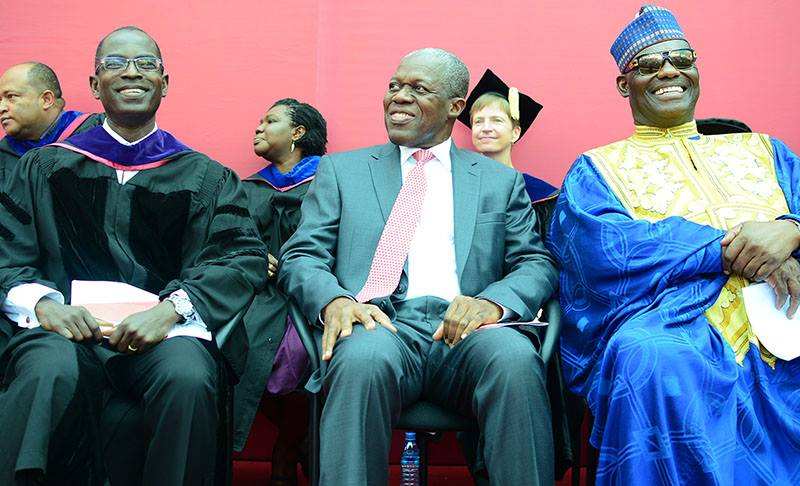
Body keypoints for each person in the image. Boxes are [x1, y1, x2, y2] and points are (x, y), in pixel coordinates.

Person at [0, 26, 267, 485]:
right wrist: (45, 306)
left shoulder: (206, 176)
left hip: (165, 334)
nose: (132, 73)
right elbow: (8, 249)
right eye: (115, 64)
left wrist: (172, 310)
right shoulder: (43, 167)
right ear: (93, 85)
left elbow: (239, 256)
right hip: (63, 330)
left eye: (146, 64)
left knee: (187, 376)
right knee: (47, 369)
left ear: (165, 82)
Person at [279, 47, 558, 485]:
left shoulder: (498, 182)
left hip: (468, 333)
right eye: (394, 87)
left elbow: (534, 262)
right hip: (380, 324)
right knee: (359, 360)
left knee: (515, 361)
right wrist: (334, 300)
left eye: (418, 89)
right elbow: (302, 255)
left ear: (455, 106)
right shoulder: (342, 172)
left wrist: (493, 304)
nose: (399, 97)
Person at [548, 5, 800, 484]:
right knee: (648, 354)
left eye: (682, 59)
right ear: (625, 85)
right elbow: (605, 250)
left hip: (789, 305)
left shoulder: (764, 149)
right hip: (675, 317)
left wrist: (791, 231)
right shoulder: (598, 168)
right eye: (648, 65)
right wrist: (737, 249)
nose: (669, 69)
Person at [234, 98, 327, 486]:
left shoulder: (330, 182)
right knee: (231, 349)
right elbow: (228, 238)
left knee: (300, 351)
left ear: (298, 134)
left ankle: (289, 444)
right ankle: (297, 440)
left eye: (270, 120)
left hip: (312, 294)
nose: (258, 126)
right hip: (258, 294)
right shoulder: (248, 188)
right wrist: (252, 256)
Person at [458, 68, 558, 239]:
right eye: (478, 121)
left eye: (497, 120)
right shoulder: (457, 185)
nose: (486, 128)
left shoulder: (541, 196)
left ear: (515, 133)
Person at [0, 62, 103, 182]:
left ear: (46, 99)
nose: (2, 108)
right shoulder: (4, 156)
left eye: (11, 96)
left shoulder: (97, 136)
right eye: (0, 100)